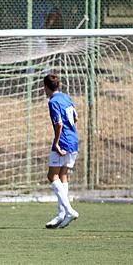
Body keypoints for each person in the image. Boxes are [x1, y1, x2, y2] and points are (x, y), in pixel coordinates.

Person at [43, 73, 80, 229]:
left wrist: (56, 143)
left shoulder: (53, 102)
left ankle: (69, 210)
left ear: (45, 87)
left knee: (52, 175)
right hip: (74, 139)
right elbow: (76, 118)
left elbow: (58, 124)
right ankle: (61, 213)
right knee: (63, 174)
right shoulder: (66, 97)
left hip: (63, 141)